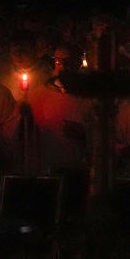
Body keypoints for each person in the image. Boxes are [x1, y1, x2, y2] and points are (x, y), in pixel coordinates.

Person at [25, 43, 95, 172]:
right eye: (58, 61)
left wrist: (84, 134)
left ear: (79, 62)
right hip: (46, 164)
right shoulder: (38, 95)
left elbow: (102, 134)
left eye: (68, 61)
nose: (62, 66)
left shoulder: (90, 97)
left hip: (79, 166)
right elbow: (26, 134)